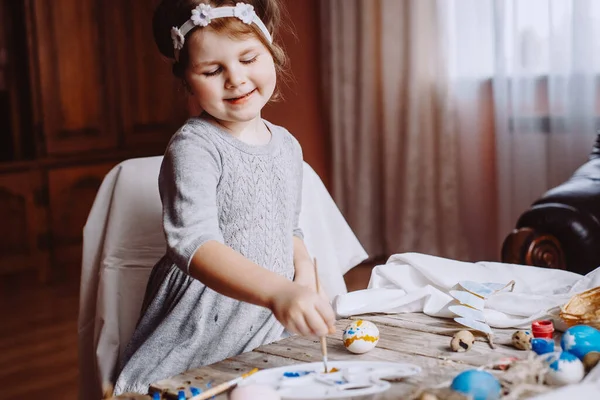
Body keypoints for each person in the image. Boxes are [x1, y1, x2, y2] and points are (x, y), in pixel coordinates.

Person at [113, 0, 337, 394]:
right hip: (204, 321)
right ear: (187, 80)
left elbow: (291, 229)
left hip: (265, 321)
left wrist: (301, 279)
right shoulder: (194, 147)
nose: (235, 79)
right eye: (212, 70)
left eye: (248, 58)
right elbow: (193, 243)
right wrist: (277, 290)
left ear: (273, 54)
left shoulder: (287, 146)